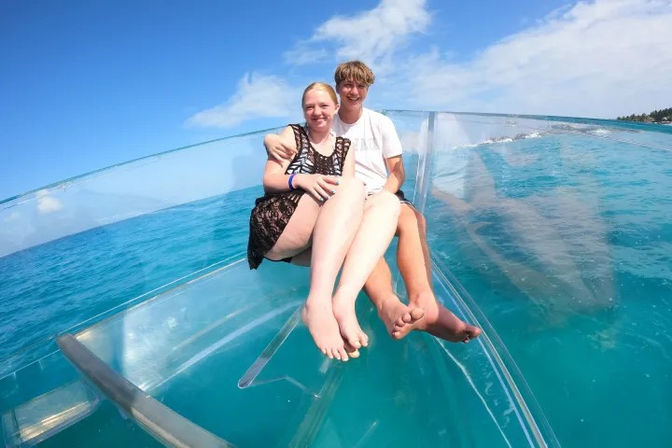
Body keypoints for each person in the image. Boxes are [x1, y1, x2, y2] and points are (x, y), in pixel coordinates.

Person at [265, 62, 481, 343]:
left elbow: (397, 171)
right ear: (337, 89)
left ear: (368, 89)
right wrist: (269, 138)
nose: (354, 91)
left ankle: (425, 303)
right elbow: (297, 136)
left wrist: (384, 195)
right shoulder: (327, 118)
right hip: (342, 200)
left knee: (413, 218)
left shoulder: (379, 123)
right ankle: (388, 306)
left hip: (382, 192)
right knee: (360, 236)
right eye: (347, 85)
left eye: (361, 86)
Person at [248, 82, 400, 362]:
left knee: (388, 202)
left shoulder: (345, 146)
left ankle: (343, 300)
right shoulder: (294, 134)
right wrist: (301, 178)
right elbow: (269, 181)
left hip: (314, 240)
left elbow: (351, 199)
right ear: (303, 111)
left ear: (336, 108)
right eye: (309, 107)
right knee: (351, 186)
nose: (316, 112)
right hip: (279, 223)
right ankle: (316, 303)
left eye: (323, 106)